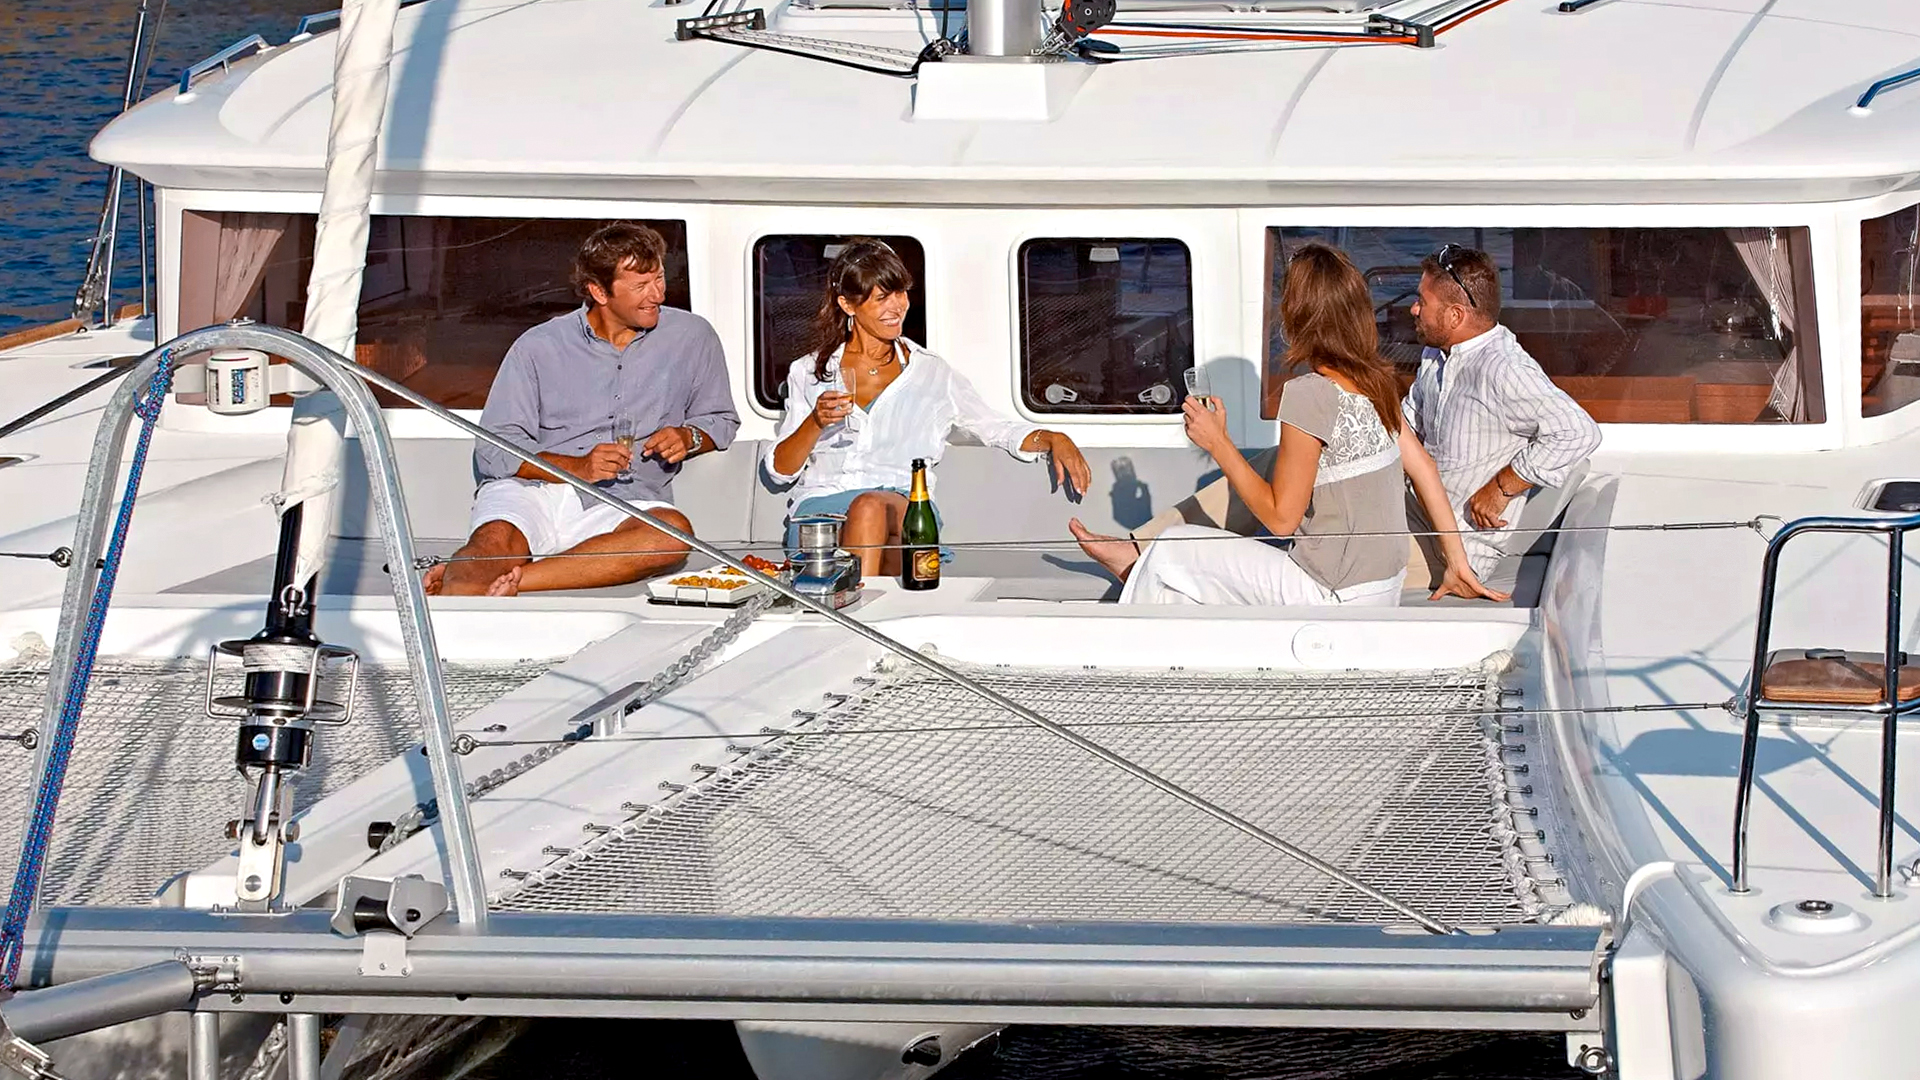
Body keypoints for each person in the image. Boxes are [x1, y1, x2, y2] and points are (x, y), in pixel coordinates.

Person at [1118, 243, 1602, 596]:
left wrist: (1502, 487)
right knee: (1275, 460)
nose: (1412, 308)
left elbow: (1579, 432)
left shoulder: (1502, 368)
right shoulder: (1425, 362)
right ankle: (1137, 547)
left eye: (1423, 302)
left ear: (1455, 315)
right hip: (1400, 528)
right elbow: (1415, 458)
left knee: (1182, 551)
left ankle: (1145, 562)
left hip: (1413, 548)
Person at [1068, 243, 1500, 606]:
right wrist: (1457, 562)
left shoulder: (1308, 393)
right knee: (1192, 579)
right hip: (1382, 590)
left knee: (1168, 550)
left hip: (1331, 593)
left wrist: (1220, 444)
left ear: (1298, 316)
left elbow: (1280, 520)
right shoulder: (1378, 380)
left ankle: (1132, 641)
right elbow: (1423, 468)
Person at [426, 223, 739, 596]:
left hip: (628, 501)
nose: (657, 294)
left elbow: (720, 420)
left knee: (670, 536)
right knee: (489, 548)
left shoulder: (693, 336)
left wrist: (689, 437)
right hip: (535, 491)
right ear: (598, 291)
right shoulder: (538, 346)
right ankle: (473, 587)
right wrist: (578, 467)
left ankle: (520, 579)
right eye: (641, 286)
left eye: (659, 279)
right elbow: (495, 449)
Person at [764, 239, 1092, 579]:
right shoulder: (809, 371)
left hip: (904, 510)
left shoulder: (931, 373)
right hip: (822, 518)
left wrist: (1053, 437)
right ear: (848, 305)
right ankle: (863, 610)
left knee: (869, 507)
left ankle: (847, 610)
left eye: (901, 293)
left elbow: (994, 427)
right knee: (872, 525)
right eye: (881, 298)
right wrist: (815, 422)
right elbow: (779, 470)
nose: (897, 307)